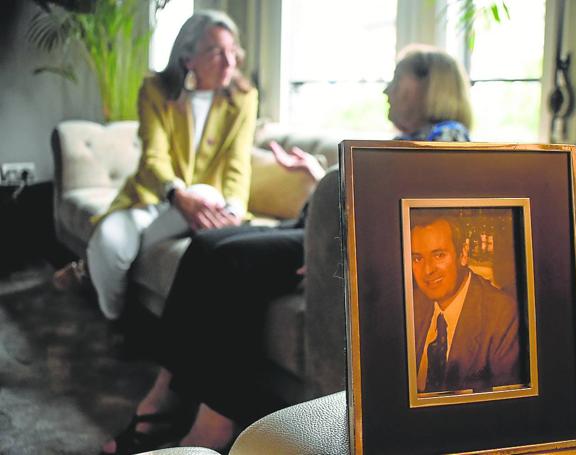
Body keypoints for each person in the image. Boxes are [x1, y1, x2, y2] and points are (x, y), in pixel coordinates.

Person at [100, 44, 474, 454]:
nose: (385, 90)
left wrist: (335, 251)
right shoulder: (409, 138)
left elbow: (413, 227)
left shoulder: (448, 140)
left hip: (326, 243)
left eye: (396, 78)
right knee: (205, 244)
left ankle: (216, 422)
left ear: (429, 85)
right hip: (311, 227)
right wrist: (316, 177)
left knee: (232, 261)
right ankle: (165, 393)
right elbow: (361, 199)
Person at [53, 10, 258, 321]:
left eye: (233, 52)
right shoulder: (155, 90)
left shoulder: (243, 99)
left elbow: (237, 163)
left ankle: (85, 270)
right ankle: (116, 319)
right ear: (188, 59)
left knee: (204, 194)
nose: (229, 62)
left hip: (206, 202)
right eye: (217, 52)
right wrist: (176, 193)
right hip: (152, 197)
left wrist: (234, 209)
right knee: (109, 243)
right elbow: (154, 155)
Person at [410, 217, 523, 393]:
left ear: (463, 254)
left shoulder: (502, 315)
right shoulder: (411, 304)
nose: (428, 270)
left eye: (439, 255)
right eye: (417, 259)